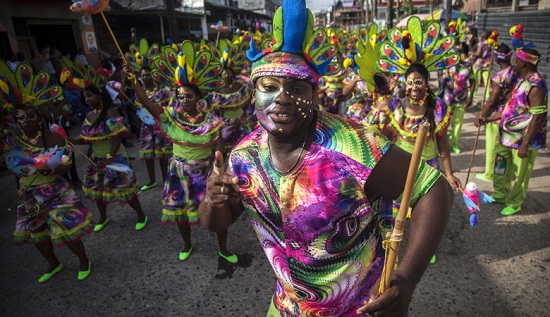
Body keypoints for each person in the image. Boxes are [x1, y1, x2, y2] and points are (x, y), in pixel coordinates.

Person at [198, 2, 453, 315]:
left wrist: (407, 278)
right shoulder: (244, 157)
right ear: (253, 93)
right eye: (269, 86)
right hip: (288, 308)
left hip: (360, 308)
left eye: (296, 88)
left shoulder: (352, 147)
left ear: (314, 95)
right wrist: (213, 200)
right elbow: (216, 222)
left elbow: (433, 189)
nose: (282, 98)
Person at [124, 41, 238, 263]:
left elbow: (218, 144)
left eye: (188, 96)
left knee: (218, 210)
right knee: (180, 212)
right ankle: (187, 244)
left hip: (205, 172)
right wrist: (132, 80)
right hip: (178, 172)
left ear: (198, 97)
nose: (184, 100)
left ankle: (223, 248)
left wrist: (218, 166)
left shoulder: (211, 119)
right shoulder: (171, 117)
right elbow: (147, 102)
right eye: (180, 96)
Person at [2, 103, 92, 283]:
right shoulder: (14, 140)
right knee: (37, 232)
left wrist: (50, 170)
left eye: (30, 116)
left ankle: (84, 261)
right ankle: (53, 263)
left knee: (67, 230)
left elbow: (66, 165)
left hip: (55, 191)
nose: (26, 121)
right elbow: (12, 164)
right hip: (29, 193)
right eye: (21, 117)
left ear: (39, 118)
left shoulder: (52, 138)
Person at [73, 85, 148, 232]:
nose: (87, 100)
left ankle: (141, 215)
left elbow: (118, 137)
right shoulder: (89, 115)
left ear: (100, 95)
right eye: (85, 97)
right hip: (96, 159)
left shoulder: (111, 112)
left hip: (115, 157)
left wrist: (108, 158)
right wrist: (72, 140)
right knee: (98, 190)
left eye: (90, 95)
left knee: (125, 190)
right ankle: (103, 216)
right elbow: (87, 138)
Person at [491, 48, 547, 215]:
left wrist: (525, 144)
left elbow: (537, 117)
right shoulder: (522, 80)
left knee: (521, 173)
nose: (514, 63)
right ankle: (500, 193)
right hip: (507, 136)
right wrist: (488, 118)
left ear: (523, 63)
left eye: (517, 61)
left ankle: (515, 202)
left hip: (523, 140)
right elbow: (513, 108)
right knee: (501, 164)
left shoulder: (536, 85)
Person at [474, 43, 520, 183]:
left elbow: (492, 100)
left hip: (496, 117)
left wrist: (481, 115)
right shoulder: (516, 73)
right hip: (511, 115)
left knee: (493, 149)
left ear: (498, 59)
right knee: (503, 150)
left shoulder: (499, 77)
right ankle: (502, 174)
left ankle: (490, 174)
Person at [134, 67, 172, 191]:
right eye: (143, 75)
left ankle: (166, 179)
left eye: (148, 74)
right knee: (148, 155)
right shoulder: (140, 92)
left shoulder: (162, 91)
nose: (146, 77)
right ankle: (152, 181)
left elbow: (167, 108)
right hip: (146, 127)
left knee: (162, 155)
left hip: (160, 126)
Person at [440, 42, 476, 154]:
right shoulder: (445, 65)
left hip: (461, 99)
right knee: (443, 123)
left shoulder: (467, 66)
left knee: (458, 123)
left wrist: (470, 97)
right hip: (446, 100)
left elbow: (473, 81)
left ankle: (454, 144)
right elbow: (440, 80)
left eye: (456, 54)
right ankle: (442, 143)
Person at [470, 31, 492, 96]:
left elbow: (478, 53)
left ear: (483, 37)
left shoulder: (480, 44)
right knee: (487, 80)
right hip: (487, 63)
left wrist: (470, 53)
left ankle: (474, 92)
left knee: (475, 79)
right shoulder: (491, 44)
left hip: (479, 63)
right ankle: (488, 94)